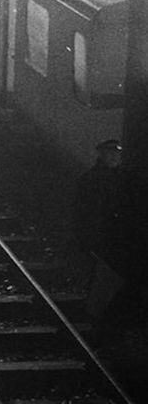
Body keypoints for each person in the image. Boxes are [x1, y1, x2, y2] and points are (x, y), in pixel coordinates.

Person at [74, 139, 145, 331]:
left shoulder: (127, 180)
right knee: (102, 279)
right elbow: (83, 212)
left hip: (119, 239)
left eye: (116, 153)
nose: (114, 156)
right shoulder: (91, 180)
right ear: (101, 154)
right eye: (110, 152)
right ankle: (95, 317)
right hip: (103, 239)